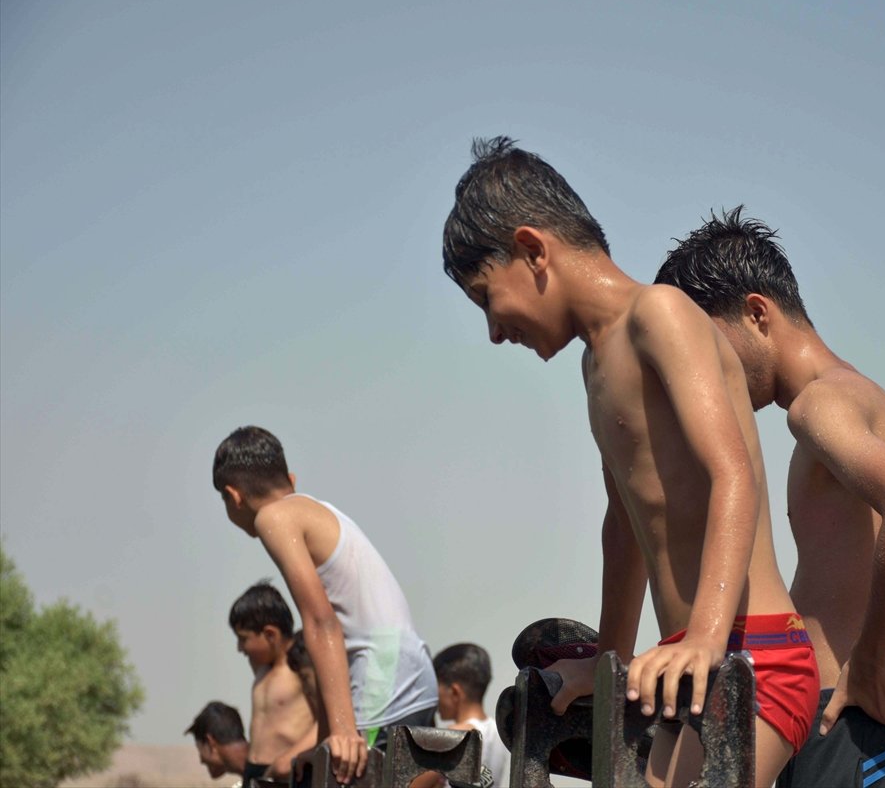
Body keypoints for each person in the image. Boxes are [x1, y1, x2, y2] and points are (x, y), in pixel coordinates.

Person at [443, 136, 819, 788]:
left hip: (751, 655)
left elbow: (732, 474)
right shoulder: (596, 363)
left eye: (485, 298)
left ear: (533, 252)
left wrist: (705, 636)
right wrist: (610, 664)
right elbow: (625, 527)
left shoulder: (661, 314)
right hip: (690, 664)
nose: (494, 331)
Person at [654, 208, 885, 787]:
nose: (707, 372)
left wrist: (876, 659)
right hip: (858, 727)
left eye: (712, 348)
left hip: (858, 731)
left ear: (757, 313)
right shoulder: (860, 398)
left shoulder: (819, 406)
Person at [213, 426, 439, 784]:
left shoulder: (274, 517)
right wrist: (323, 741)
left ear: (233, 496)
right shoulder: (321, 511)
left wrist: (345, 731)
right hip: (413, 671)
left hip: (382, 676)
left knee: (349, 773)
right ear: (290, 479)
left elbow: (321, 622)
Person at [228, 581, 318, 783]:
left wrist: (290, 758)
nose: (240, 648)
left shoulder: (301, 668)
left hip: (287, 774)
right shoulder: (261, 668)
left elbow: (324, 722)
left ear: (270, 635)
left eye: (243, 639)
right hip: (254, 772)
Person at [433, 643, 510, 787]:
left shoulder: (453, 736)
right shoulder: (499, 732)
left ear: (454, 692)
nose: (434, 699)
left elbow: (410, 784)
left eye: (436, 690)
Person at [185, 701, 248, 780]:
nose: (202, 760)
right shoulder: (257, 776)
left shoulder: (262, 778)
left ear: (210, 743)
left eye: (200, 750)